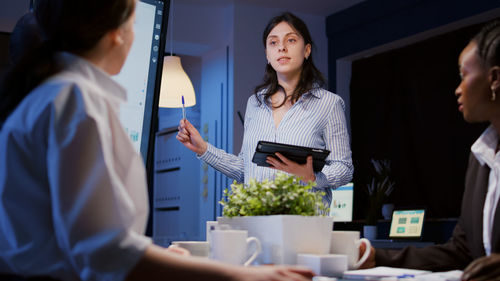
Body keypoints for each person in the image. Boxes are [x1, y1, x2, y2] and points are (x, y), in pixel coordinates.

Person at [0, 1, 315, 280]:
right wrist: (239, 276)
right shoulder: (75, 100)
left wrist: (160, 260)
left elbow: (83, 239)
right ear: (117, 34)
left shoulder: (52, 97)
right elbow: (105, 252)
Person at [358, 20, 500, 280]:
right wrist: (376, 256)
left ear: (494, 78)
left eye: (464, 75)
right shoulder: (480, 156)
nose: (457, 89)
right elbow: (461, 251)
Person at [177, 12, 353, 206]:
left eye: (291, 40)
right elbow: (245, 170)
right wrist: (202, 148)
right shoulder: (255, 103)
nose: (282, 48)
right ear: (267, 55)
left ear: (307, 50)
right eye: (273, 43)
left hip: (304, 225)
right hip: (259, 224)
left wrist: (312, 177)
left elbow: (344, 169)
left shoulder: (329, 104)